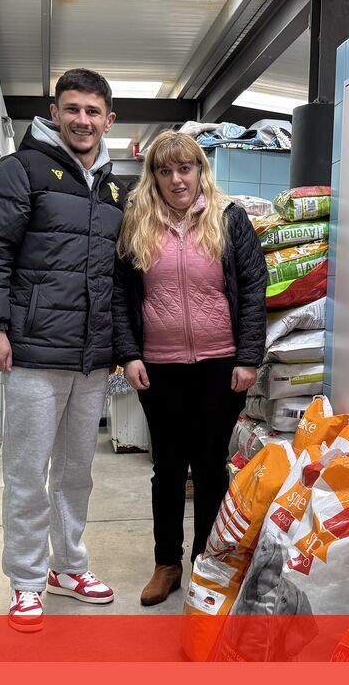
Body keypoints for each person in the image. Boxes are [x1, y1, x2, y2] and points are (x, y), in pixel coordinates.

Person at [0, 68, 126, 632]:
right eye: (72, 109)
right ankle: (27, 581)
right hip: (34, 354)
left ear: (109, 120)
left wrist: (117, 345)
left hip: (90, 359)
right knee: (28, 472)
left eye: (93, 111)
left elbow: (116, 277)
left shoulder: (113, 189)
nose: (82, 120)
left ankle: (69, 567)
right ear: (54, 112)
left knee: (76, 474)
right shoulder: (21, 169)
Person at [112, 130, 267, 606]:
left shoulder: (229, 218)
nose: (177, 179)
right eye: (165, 170)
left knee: (210, 468)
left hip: (220, 365)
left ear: (201, 170)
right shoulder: (137, 220)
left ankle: (206, 562)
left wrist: (248, 358)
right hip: (159, 368)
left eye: (185, 168)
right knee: (167, 468)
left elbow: (253, 288)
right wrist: (129, 354)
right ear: (153, 176)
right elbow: (120, 294)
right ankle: (167, 564)